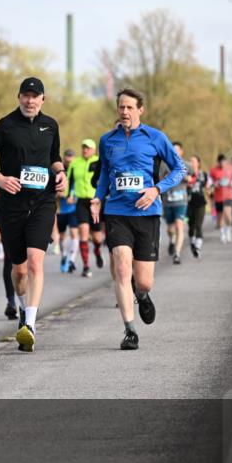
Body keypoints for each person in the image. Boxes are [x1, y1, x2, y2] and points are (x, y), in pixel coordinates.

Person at [0, 77, 67, 352]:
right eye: (25, 96)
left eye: (35, 96)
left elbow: (54, 156)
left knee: (36, 263)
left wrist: (61, 172)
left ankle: (30, 324)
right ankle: (21, 305)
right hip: (12, 204)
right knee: (20, 269)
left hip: (43, 201)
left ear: (43, 99)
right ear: (19, 98)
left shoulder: (50, 125)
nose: (30, 101)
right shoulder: (6, 125)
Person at [91, 89, 186, 351]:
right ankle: (130, 331)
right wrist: (98, 198)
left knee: (143, 280)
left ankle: (142, 294)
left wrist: (156, 189)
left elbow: (180, 168)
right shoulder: (107, 140)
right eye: (121, 107)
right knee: (121, 268)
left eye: (130, 107)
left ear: (140, 110)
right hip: (117, 212)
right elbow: (104, 174)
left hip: (147, 213)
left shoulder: (155, 137)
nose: (124, 112)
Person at [66, 138, 104, 278]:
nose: (85, 150)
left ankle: (98, 251)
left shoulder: (99, 162)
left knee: (97, 237)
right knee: (83, 232)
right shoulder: (75, 163)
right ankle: (86, 266)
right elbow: (69, 180)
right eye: (83, 147)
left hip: (95, 201)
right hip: (81, 201)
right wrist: (67, 195)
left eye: (88, 148)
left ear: (93, 149)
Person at [162, 142, 188, 265]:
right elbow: (158, 179)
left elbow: (194, 176)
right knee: (170, 229)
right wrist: (164, 176)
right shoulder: (163, 165)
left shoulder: (185, 165)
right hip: (168, 201)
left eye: (178, 150)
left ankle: (177, 254)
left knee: (179, 225)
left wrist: (188, 179)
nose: (176, 152)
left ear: (182, 152)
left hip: (181, 201)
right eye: (173, 149)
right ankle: (171, 240)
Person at [57, 148, 79, 273]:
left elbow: (81, 187)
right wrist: (58, 194)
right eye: (67, 157)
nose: (69, 160)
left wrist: (75, 198)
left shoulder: (77, 170)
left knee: (74, 233)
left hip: (74, 208)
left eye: (72, 157)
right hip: (61, 208)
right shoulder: (60, 171)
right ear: (64, 158)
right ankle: (64, 255)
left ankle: (71, 259)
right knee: (62, 236)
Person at [209, 154, 232, 244]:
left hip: (228, 195)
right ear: (218, 162)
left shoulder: (231, 169)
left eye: (224, 162)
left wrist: (231, 183)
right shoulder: (213, 170)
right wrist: (215, 184)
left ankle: (228, 231)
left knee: (228, 215)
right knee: (220, 217)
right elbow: (209, 182)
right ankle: (222, 234)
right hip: (219, 197)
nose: (223, 164)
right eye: (221, 162)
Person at [186, 155, 208, 258]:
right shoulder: (184, 174)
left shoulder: (203, 174)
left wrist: (210, 192)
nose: (191, 163)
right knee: (191, 226)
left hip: (200, 202)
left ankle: (197, 247)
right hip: (188, 203)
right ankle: (192, 243)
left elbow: (208, 187)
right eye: (190, 161)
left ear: (198, 163)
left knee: (198, 225)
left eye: (193, 161)